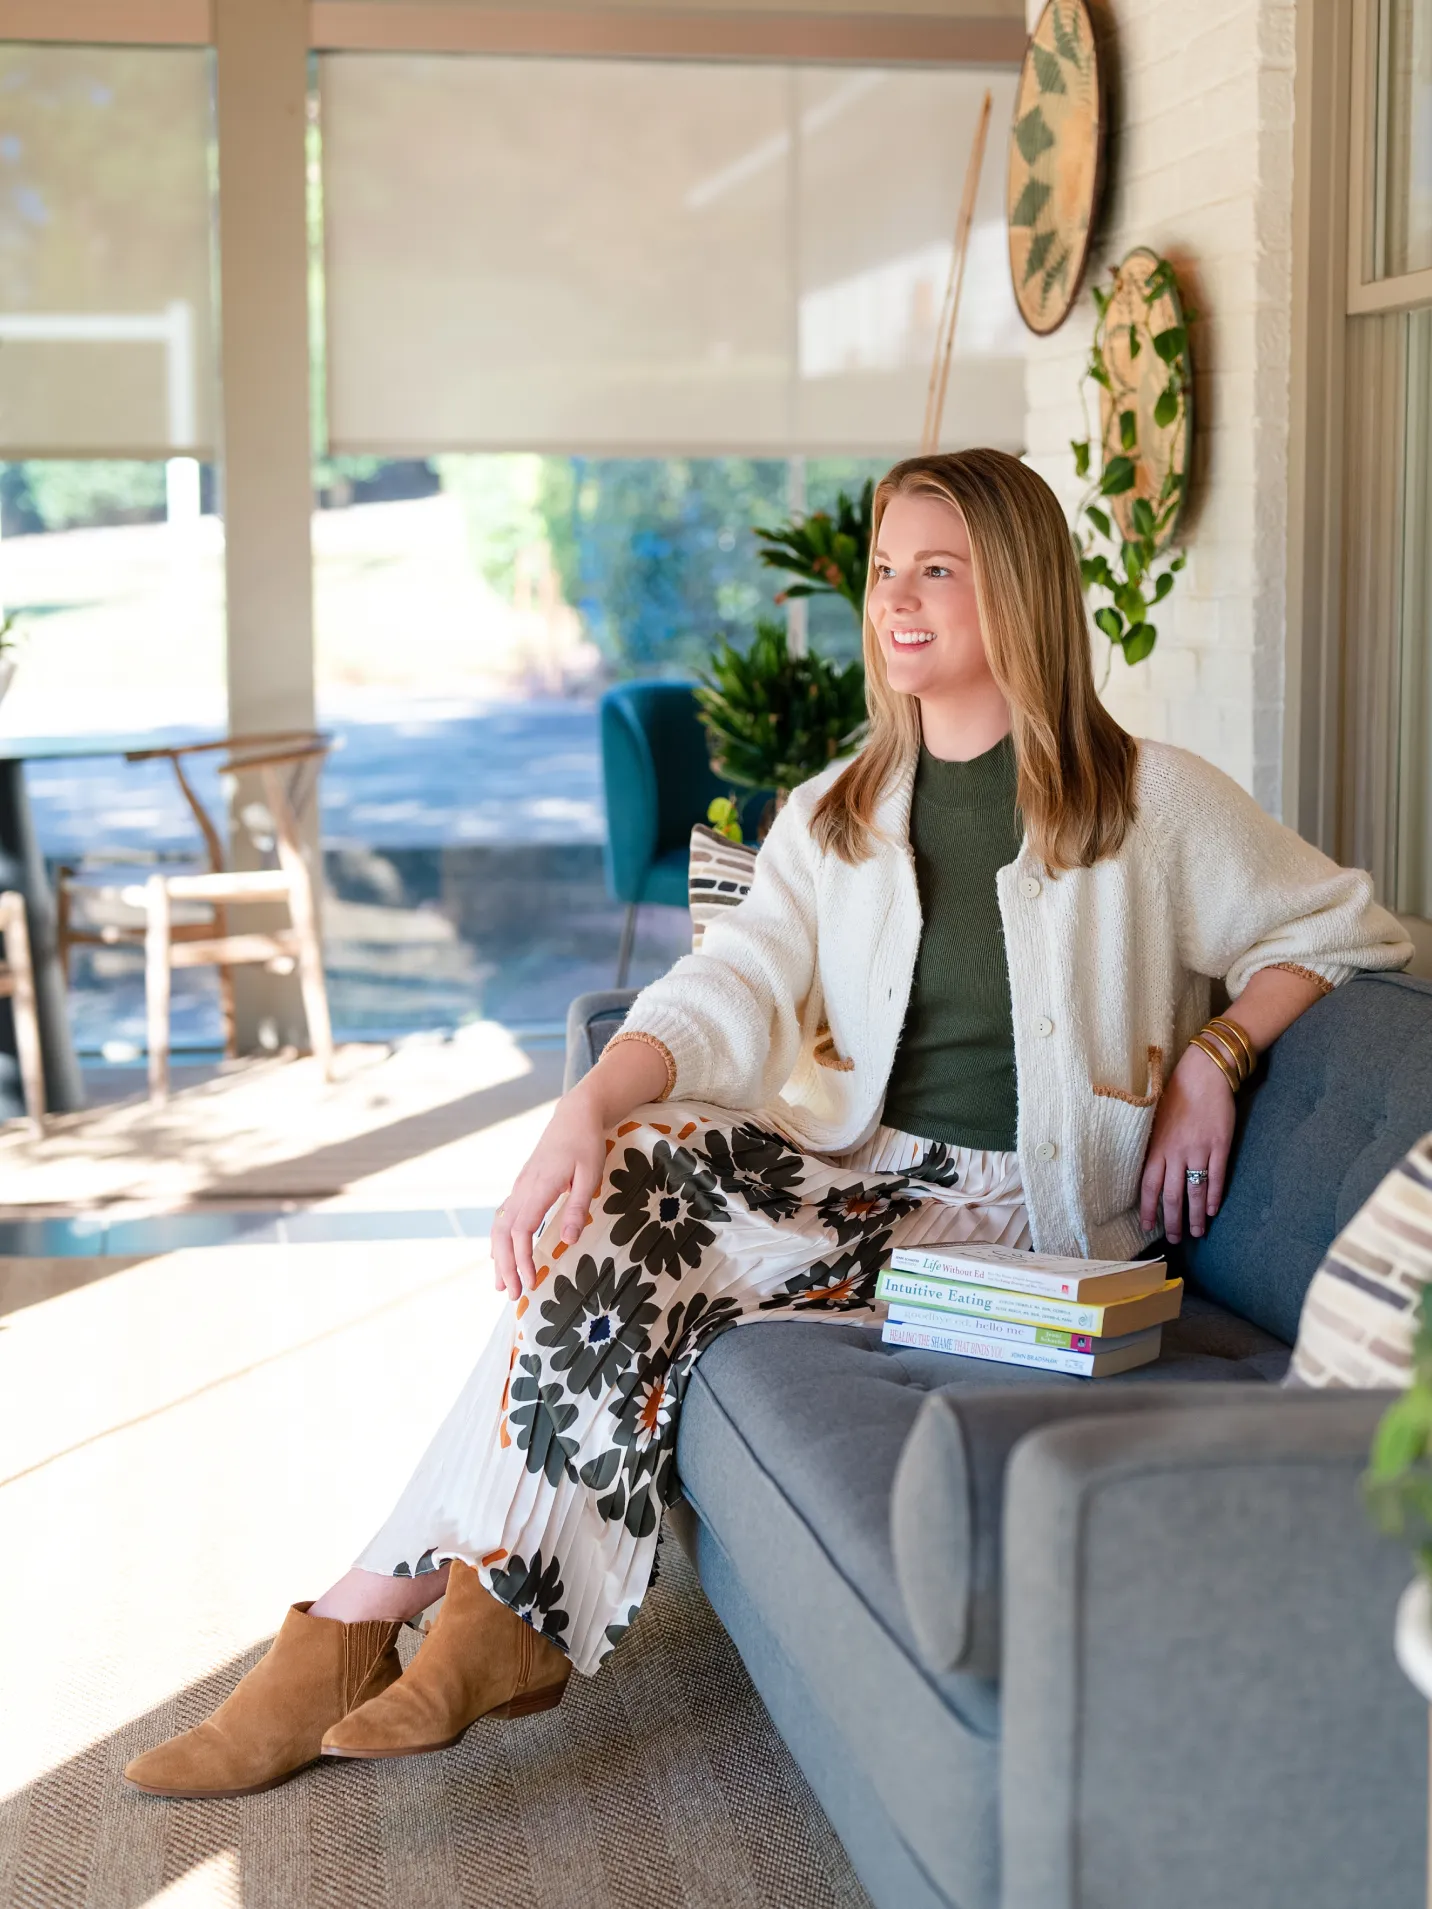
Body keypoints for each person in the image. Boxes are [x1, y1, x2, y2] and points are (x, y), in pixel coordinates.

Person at [125, 449, 1410, 1799]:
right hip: (857, 1182)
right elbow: (727, 986)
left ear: (1021, 592)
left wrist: (1217, 1050)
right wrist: (587, 1103)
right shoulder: (841, 811)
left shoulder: (1142, 803)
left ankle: (385, 1623)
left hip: (1014, 1225)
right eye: (883, 571)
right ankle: (446, 1614)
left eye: (938, 570)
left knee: (633, 1235)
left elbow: (1339, 927)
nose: (895, 602)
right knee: (627, 1181)